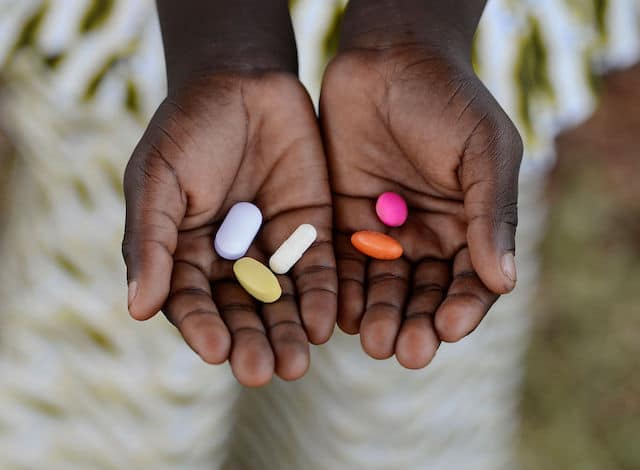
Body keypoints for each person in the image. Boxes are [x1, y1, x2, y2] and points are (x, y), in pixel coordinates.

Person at [1, 0, 637, 468]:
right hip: (154, 63)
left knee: (392, 427)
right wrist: (230, 52)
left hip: (441, 81)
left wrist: (406, 34)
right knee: (110, 407)